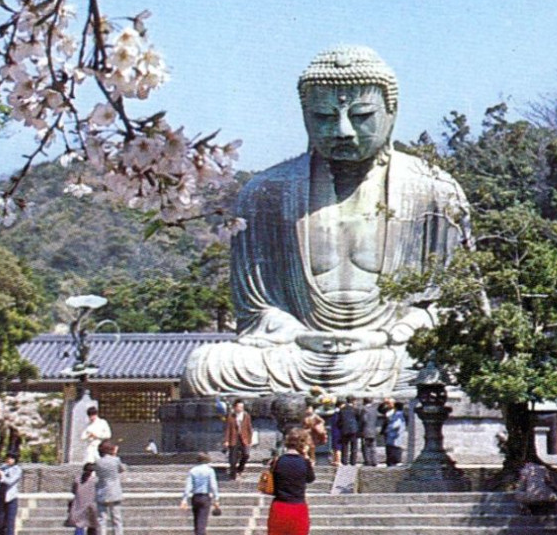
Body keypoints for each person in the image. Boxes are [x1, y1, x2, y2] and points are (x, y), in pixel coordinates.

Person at [182, 46, 470, 396]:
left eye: (362, 116)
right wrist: (303, 336)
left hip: (390, 350)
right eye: (324, 117)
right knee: (208, 365)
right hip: (299, 351)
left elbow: (455, 305)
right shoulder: (265, 193)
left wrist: (388, 334)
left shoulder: (434, 190)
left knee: (455, 361)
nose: (343, 131)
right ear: (305, 115)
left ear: (391, 112)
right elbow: (256, 310)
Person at [179, 452, 220, 535]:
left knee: (197, 520)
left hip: (195, 497)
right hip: (205, 497)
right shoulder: (209, 471)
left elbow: (188, 486)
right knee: (202, 521)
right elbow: (213, 485)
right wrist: (216, 498)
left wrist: (184, 499)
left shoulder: (193, 470)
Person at [93, 439, 127, 535]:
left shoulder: (98, 462)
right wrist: (115, 455)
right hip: (114, 492)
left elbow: (97, 474)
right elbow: (122, 469)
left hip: (102, 492)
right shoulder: (115, 460)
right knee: (117, 522)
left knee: (102, 522)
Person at [65, 463, 100, 535]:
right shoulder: (95, 481)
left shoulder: (77, 480)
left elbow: (74, 491)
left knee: (79, 526)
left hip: (79, 504)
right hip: (91, 505)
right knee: (92, 525)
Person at [223, 398, 254, 480]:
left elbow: (249, 428)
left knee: (246, 455)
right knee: (233, 459)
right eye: (239, 407)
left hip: (244, 439)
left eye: (242, 407)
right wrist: (226, 440)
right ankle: (233, 475)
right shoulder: (231, 416)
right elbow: (227, 429)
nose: (241, 409)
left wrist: (250, 440)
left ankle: (240, 469)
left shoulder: (246, 416)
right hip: (234, 439)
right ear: (235, 407)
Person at [336, 396, 363, 465]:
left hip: (345, 430)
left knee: (345, 446)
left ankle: (344, 461)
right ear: (353, 401)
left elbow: (339, 421)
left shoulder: (342, 410)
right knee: (354, 447)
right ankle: (353, 462)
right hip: (354, 430)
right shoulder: (355, 409)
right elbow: (359, 420)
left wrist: (341, 428)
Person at [382, 398, 408, 466]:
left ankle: (394, 462)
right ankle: (392, 461)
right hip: (392, 434)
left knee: (393, 449)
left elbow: (396, 425)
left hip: (394, 435)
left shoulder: (398, 414)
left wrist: (388, 429)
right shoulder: (393, 412)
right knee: (391, 448)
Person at [359, 398, 380, 467]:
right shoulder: (374, 409)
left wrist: (360, 428)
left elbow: (364, 420)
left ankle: (368, 461)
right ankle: (374, 461)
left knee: (366, 447)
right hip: (373, 430)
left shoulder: (364, 409)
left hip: (366, 430)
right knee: (373, 447)